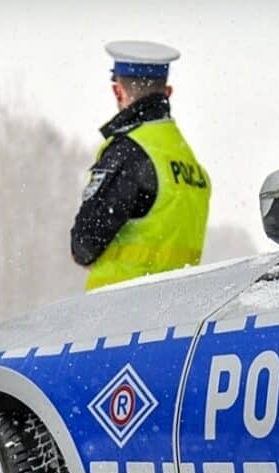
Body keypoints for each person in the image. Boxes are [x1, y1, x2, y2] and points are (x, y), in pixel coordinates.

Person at [70, 40, 211, 291]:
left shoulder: (129, 152)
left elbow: (84, 245)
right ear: (168, 93)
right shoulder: (191, 165)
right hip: (179, 307)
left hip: (120, 306)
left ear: (118, 92)